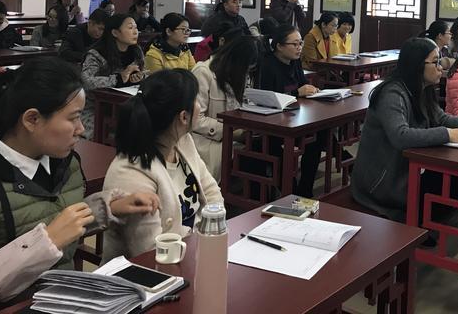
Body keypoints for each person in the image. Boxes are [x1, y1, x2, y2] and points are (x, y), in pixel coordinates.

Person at [0, 58, 160, 313]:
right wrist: (45, 243)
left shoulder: (65, 163)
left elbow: (48, 215)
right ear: (32, 120)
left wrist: (108, 208)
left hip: (65, 302)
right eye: (73, 118)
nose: (81, 129)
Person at [350, 37, 458, 222]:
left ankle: (426, 221)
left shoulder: (422, 89)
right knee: (452, 181)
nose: (440, 68)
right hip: (383, 180)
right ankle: (419, 225)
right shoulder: (392, 93)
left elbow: (443, 119)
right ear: (417, 65)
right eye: (435, 62)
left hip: (407, 169)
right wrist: (447, 134)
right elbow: (400, 136)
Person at [101, 69, 223, 261]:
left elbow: (211, 192)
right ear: (184, 117)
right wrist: (201, 244)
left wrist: (210, 238)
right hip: (153, 270)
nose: (200, 107)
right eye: (196, 101)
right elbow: (150, 253)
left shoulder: (183, 142)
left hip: (193, 253)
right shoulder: (132, 171)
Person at [258, 25, 322, 196]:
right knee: (277, 149)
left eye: (301, 43)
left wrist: (310, 89)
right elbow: (267, 98)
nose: (299, 47)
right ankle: (291, 193)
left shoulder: (295, 62)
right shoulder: (267, 65)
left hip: (294, 117)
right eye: (295, 44)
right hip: (272, 124)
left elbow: (302, 85)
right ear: (279, 46)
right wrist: (297, 93)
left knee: (320, 136)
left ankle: (305, 190)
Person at [193, 35, 258, 180]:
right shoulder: (204, 72)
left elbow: (242, 106)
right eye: (244, 69)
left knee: (267, 148)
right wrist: (229, 131)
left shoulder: (238, 75)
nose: (245, 74)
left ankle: (265, 192)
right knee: (254, 157)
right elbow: (195, 120)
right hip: (207, 139)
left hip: (234, 134)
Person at [81, 14, 149, 140]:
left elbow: (144, 72)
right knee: (113, 136)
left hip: (125, 107)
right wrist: (118, 78)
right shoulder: (97, 54)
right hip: (95, 108)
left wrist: (140, 77)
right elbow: (87, 81)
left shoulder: (136, 52)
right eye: (130, 28)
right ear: (115, 32)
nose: (135, 32)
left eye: (136, 28)